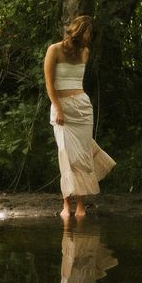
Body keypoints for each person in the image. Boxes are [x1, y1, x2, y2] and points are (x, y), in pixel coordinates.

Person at [43, 15, 115, 219]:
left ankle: (81, 204)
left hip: (83, 108)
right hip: (61, 107)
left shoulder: (85, 52)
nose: (88, 37)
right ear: (77, 30)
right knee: (66, 154)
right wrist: (58, 108)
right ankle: (67, 204)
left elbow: (78, 83)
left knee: (82, 156)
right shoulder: (54, 49)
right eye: (86, 33)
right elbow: (49, 84)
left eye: (91, 34)